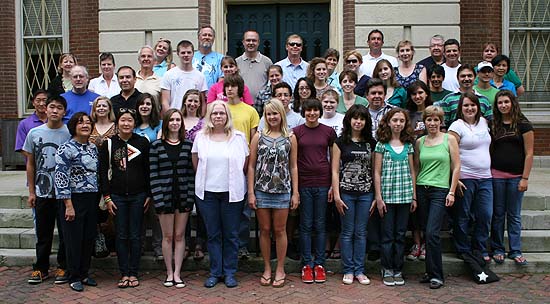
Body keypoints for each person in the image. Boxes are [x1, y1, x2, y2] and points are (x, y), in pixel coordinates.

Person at [192, 101, 249, 288]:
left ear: (227, 116)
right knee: (213, 234)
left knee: (231, 234)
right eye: (215, 113)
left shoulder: (239, 137)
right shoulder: (201, 137)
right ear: (209, 116)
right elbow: (196, 162)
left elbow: (245, 163)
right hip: (207, 194)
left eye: (222, 113)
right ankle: (215, 272)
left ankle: (230, 272)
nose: (218, 116)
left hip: (231, 194)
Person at [248, 99, 299, 288]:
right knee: (265, 230)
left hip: (282, 190)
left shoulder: (290, 137)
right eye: (269, 114)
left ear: (281, 114)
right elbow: (251, 166)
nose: (272, 117)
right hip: (262, 190)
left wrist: (295, 193)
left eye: (275, 113)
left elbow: (293, 166)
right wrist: (251, 193)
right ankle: (267, 267)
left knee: (280, 230)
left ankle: (280, 268)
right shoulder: (259, 137)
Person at [100, 108, 151, 289]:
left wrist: (149, 194)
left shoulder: (143, 143)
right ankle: (124, 273)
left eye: (130, 120)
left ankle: (134, 272)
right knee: (121, 236)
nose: (126, 124)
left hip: (138, 196)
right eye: (123, 120)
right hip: (117, 197)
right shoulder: (109, 144)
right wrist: (107, 197)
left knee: (135, 236)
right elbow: (103, 173)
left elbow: (148, 170)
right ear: (117, 123)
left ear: (134, 123)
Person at [24, 95, 71, 285]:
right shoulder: (34, 133)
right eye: (52, 107)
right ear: (45, 108)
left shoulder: (69, 133)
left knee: (65, 233)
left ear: (64, 112)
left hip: (64, 194)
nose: (54, 111)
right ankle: (41, 268)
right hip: (43, 192)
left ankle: (63, 266)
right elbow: (31, 164)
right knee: (43, 233)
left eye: (59, 108)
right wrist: (32, 192)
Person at [414, 105, 460, 289]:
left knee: (433, 232)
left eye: (436, 120)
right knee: (426, 232)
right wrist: (414, 194)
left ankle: (437, 275)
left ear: (441, 122)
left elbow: (456, 166)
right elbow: (416, 168)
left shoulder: (449, 139)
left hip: (440, 190)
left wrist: (452, 191)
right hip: (422, 189)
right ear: (424, 122)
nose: (432, 123)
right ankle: (429, 271)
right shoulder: (420, 142)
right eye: (429, 119)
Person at [149, 109, 195, 288]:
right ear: (166, 123)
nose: (175, 123)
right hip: (164, 197)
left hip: (183, 197)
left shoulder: (188, 145)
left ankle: (178, 273)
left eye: (178, 120)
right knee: (167, 236)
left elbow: (191, 174)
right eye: (172, 120)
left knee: (179, 235)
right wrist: (157, 198)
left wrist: (190, 197)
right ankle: (169, 272)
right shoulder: (156, 146)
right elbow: (153, 174)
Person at [331, 104, 376, 285]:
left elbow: (374, 171)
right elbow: (334, 170)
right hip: (346, 193)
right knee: (347, 232)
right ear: (349, 120)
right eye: (355, 118)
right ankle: (348, 270)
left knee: (361, 232)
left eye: (362, 118)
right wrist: (336, 195)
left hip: (366, 194)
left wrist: (375, 196)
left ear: (366, 122)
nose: (358, 121)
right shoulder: (340, 142)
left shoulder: (371, 143)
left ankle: (359, 270)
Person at [54, 112, 99, 292]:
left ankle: (84, 273)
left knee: (88, 237)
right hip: (72, 199)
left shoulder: (93, 148)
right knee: (73, 239)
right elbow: (61, 177)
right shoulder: (65, 148)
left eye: (88, 123)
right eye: (81, 123)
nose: (85, 125)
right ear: (74, 126)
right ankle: (73, 276)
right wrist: (68, 205)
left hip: (91, 198)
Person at [294, 99, 337, 284]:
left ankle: (319, 264)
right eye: (308, 110)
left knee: (320, 225)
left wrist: (332, 186)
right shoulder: (296, 132)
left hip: (322, 182)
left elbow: (335, 160)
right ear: (304, 112)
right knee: (305, 225)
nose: (311, 113)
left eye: (315, 110)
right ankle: (306, 263)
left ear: (319, 112)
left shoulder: (328, 132)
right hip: (304, 183)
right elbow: (293, 161)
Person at [448, 92, 493, 262]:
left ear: (478, 107)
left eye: (472, 105)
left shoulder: (484, 122)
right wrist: (455, 178)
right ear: (461, 108)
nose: (469, 108)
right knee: (463, 215)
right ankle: (462, 248)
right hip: (465, 177)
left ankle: (480, 248)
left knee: (485, 214)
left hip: (486, 178)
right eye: (466, 105)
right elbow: (449, 154)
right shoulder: (456, 126)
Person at [490, 90, 533, 266]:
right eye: (500, 103)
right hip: (496, 176)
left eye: (506, 102)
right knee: (498, 214)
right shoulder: (494, 124)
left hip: (516, 177)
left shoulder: (523, 125)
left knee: (514, 215)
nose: (503, 105)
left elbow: (529, 153)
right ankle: (498, 249)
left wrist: (525, 178)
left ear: (512, 103)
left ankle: (515, 250)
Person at [373, 108, 416, 286]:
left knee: (400, 235)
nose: (398, 124)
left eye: (401, 121)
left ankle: (398, 268)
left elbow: (413, 172)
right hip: (388, 198)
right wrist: (379, 197)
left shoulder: (409, 146)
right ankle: (387, 268)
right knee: (388, 235)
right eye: (395, 120)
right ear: (388, 122)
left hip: (405, 197)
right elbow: (377, 172)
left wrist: (414, 196)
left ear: (405, 124)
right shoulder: (381, 145)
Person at [181, 89, 206, 260]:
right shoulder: (177, 120)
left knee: (202, 209)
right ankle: (186, 242)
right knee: (184, 208)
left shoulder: (204, 124)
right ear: (184, 101)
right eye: (190, 100)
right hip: (182, 170)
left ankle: (199, 244)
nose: (192, 104)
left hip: (201, 170)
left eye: (196, 101)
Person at [162, 40, 208, 112]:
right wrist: (171, 117)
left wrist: (200, 120)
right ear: (178, 54)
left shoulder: (200, 76)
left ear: (193, 54)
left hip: (194, 119)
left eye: (189, 52)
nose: (186, 55)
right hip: (175, 119)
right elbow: (165, 102)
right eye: (183, 53)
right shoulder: (168, 75)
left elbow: (203, 103)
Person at [236, 30, 273, 99]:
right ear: (243, 42)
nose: (251, 43)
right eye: (248, 40)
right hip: (242, 104)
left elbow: (272, 83)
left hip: (262, 105)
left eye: (254, 40)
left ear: (258, 42)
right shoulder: (236, 63)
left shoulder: (267, 62)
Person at [192, 25, 224, 89]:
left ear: (213, 39)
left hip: (212, 97)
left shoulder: (220, 58)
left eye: (210, 35)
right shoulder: (191, 57)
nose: (207, 37)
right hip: (193, 96)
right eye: (204, 35)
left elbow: (221, 80)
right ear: (198, 38)